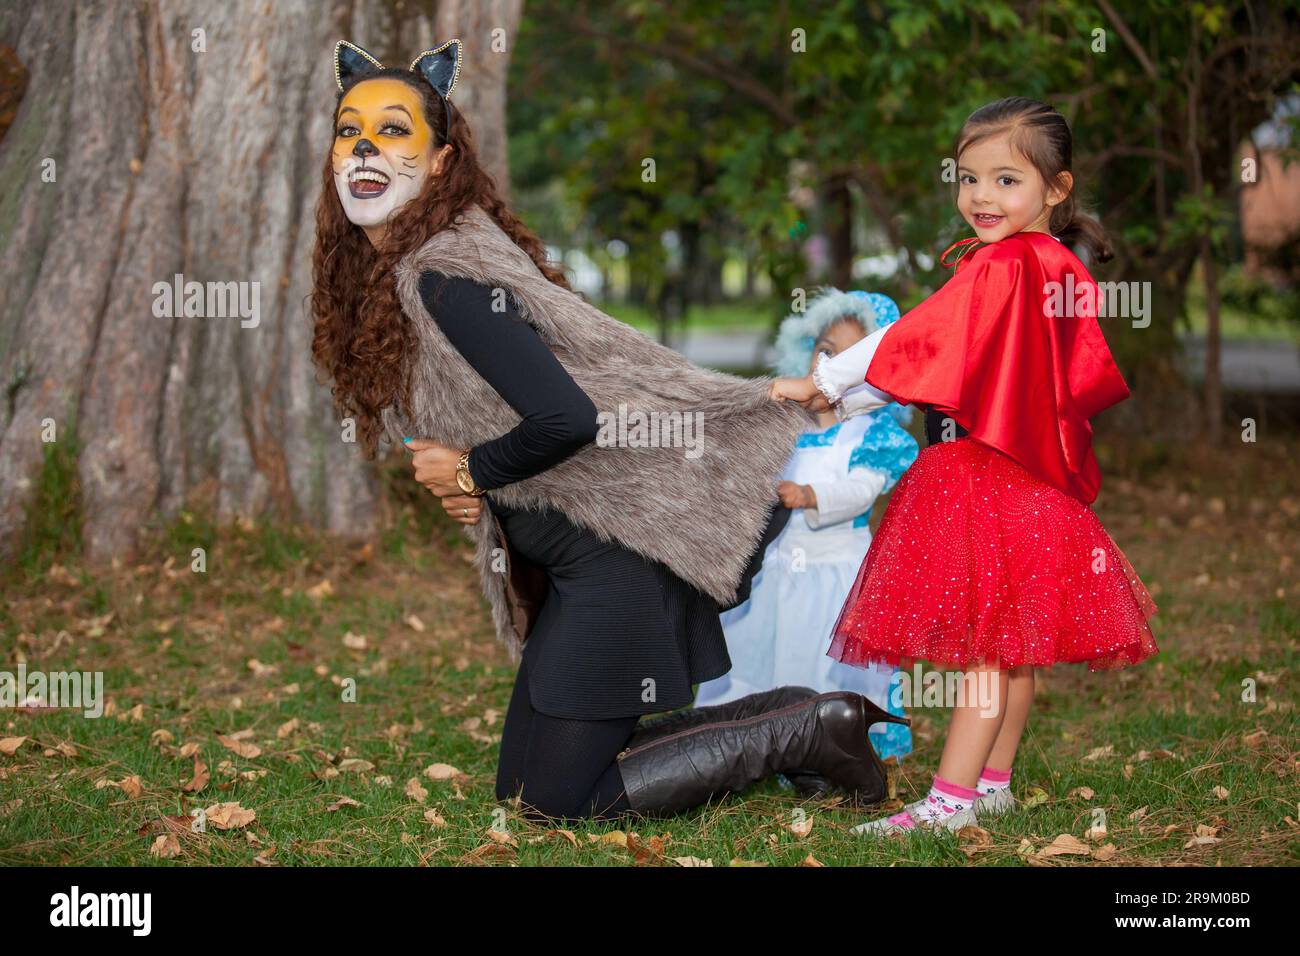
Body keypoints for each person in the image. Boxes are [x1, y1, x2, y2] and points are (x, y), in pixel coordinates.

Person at [309, 38, 890, 823]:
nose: (366, 147)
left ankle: (806, 732)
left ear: (442, 161)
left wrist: (471, 471)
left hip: (623, 553)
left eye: (393, 130)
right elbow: (534, 406)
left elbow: (569, 417)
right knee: (520, 791)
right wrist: (472, 476)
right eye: (350, 130)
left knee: (555, 804)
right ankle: (813, 722)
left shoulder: (445, 274)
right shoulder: (423, 267)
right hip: (579, 561)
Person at [771, 97, 1159, 834]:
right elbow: (945, 367)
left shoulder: (1004, 264)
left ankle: (948, 805)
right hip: (1035, 485)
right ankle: (995, 784)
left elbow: (915, 343)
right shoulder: (1053, 264)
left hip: (985, 478)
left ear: (1056, 189)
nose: (982, 196)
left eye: (1006, 180)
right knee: (1015, 654)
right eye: (970, 177)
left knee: (987, 651)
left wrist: (822, 383)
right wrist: (847, 403)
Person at [694, 289, 917, 765]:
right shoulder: (789, 426)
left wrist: (810, 495)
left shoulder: (871, 434)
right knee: (761, 643)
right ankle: (752, 737)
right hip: (780, 563)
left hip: (838, 570)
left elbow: (863, 489)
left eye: (851, 356)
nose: (832, 362)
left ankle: (827, 745)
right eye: (825, 351)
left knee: (823, 657)